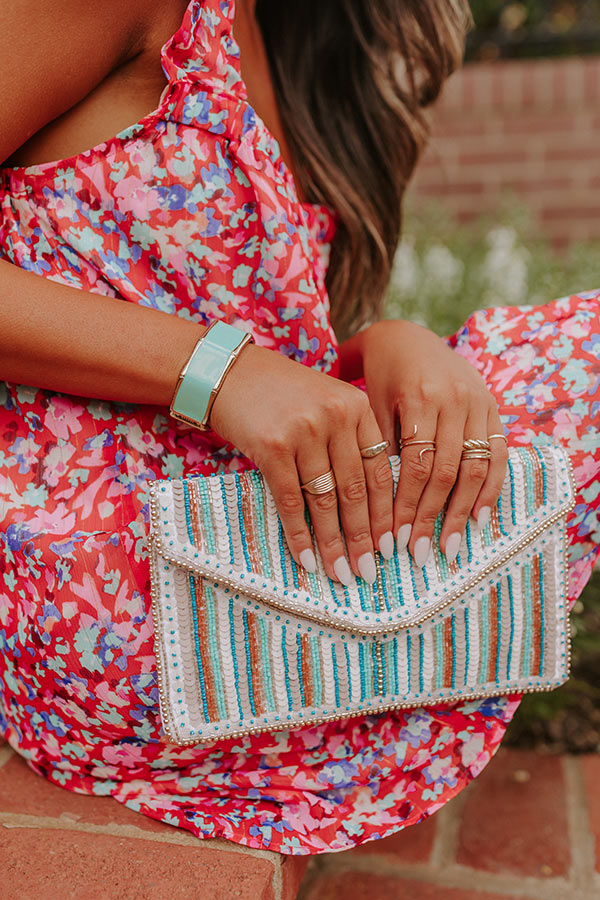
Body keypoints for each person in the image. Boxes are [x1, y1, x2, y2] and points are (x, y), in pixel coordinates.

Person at [0, 0, 598, 855]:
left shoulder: (289, 33)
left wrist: (386, 348)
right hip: (117, 596)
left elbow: (274, 374)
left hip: (281, 539)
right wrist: (218, 371)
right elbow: (230, 374)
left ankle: (380, 664)